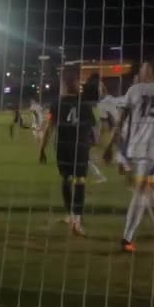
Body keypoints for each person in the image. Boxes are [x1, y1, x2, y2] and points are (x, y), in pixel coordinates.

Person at [112, 58, 154, 253]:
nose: (141, 72)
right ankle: (127, 238)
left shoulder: (134, 90)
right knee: (143, 192)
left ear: (150, 71)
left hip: (138, 149)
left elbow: (121, 121)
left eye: (143, 69)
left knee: (151, 191)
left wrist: (114, 149)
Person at [40, 67, 96, 236]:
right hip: (80, 148)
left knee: (66, 178)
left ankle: (71, 215)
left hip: (63, 148)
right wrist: (91, 143)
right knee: (80, 181)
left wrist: (42, 149)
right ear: (76, 83)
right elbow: (93, 132)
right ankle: (77, 222)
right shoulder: (84, 105)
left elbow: (49, 128)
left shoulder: (57, 104)